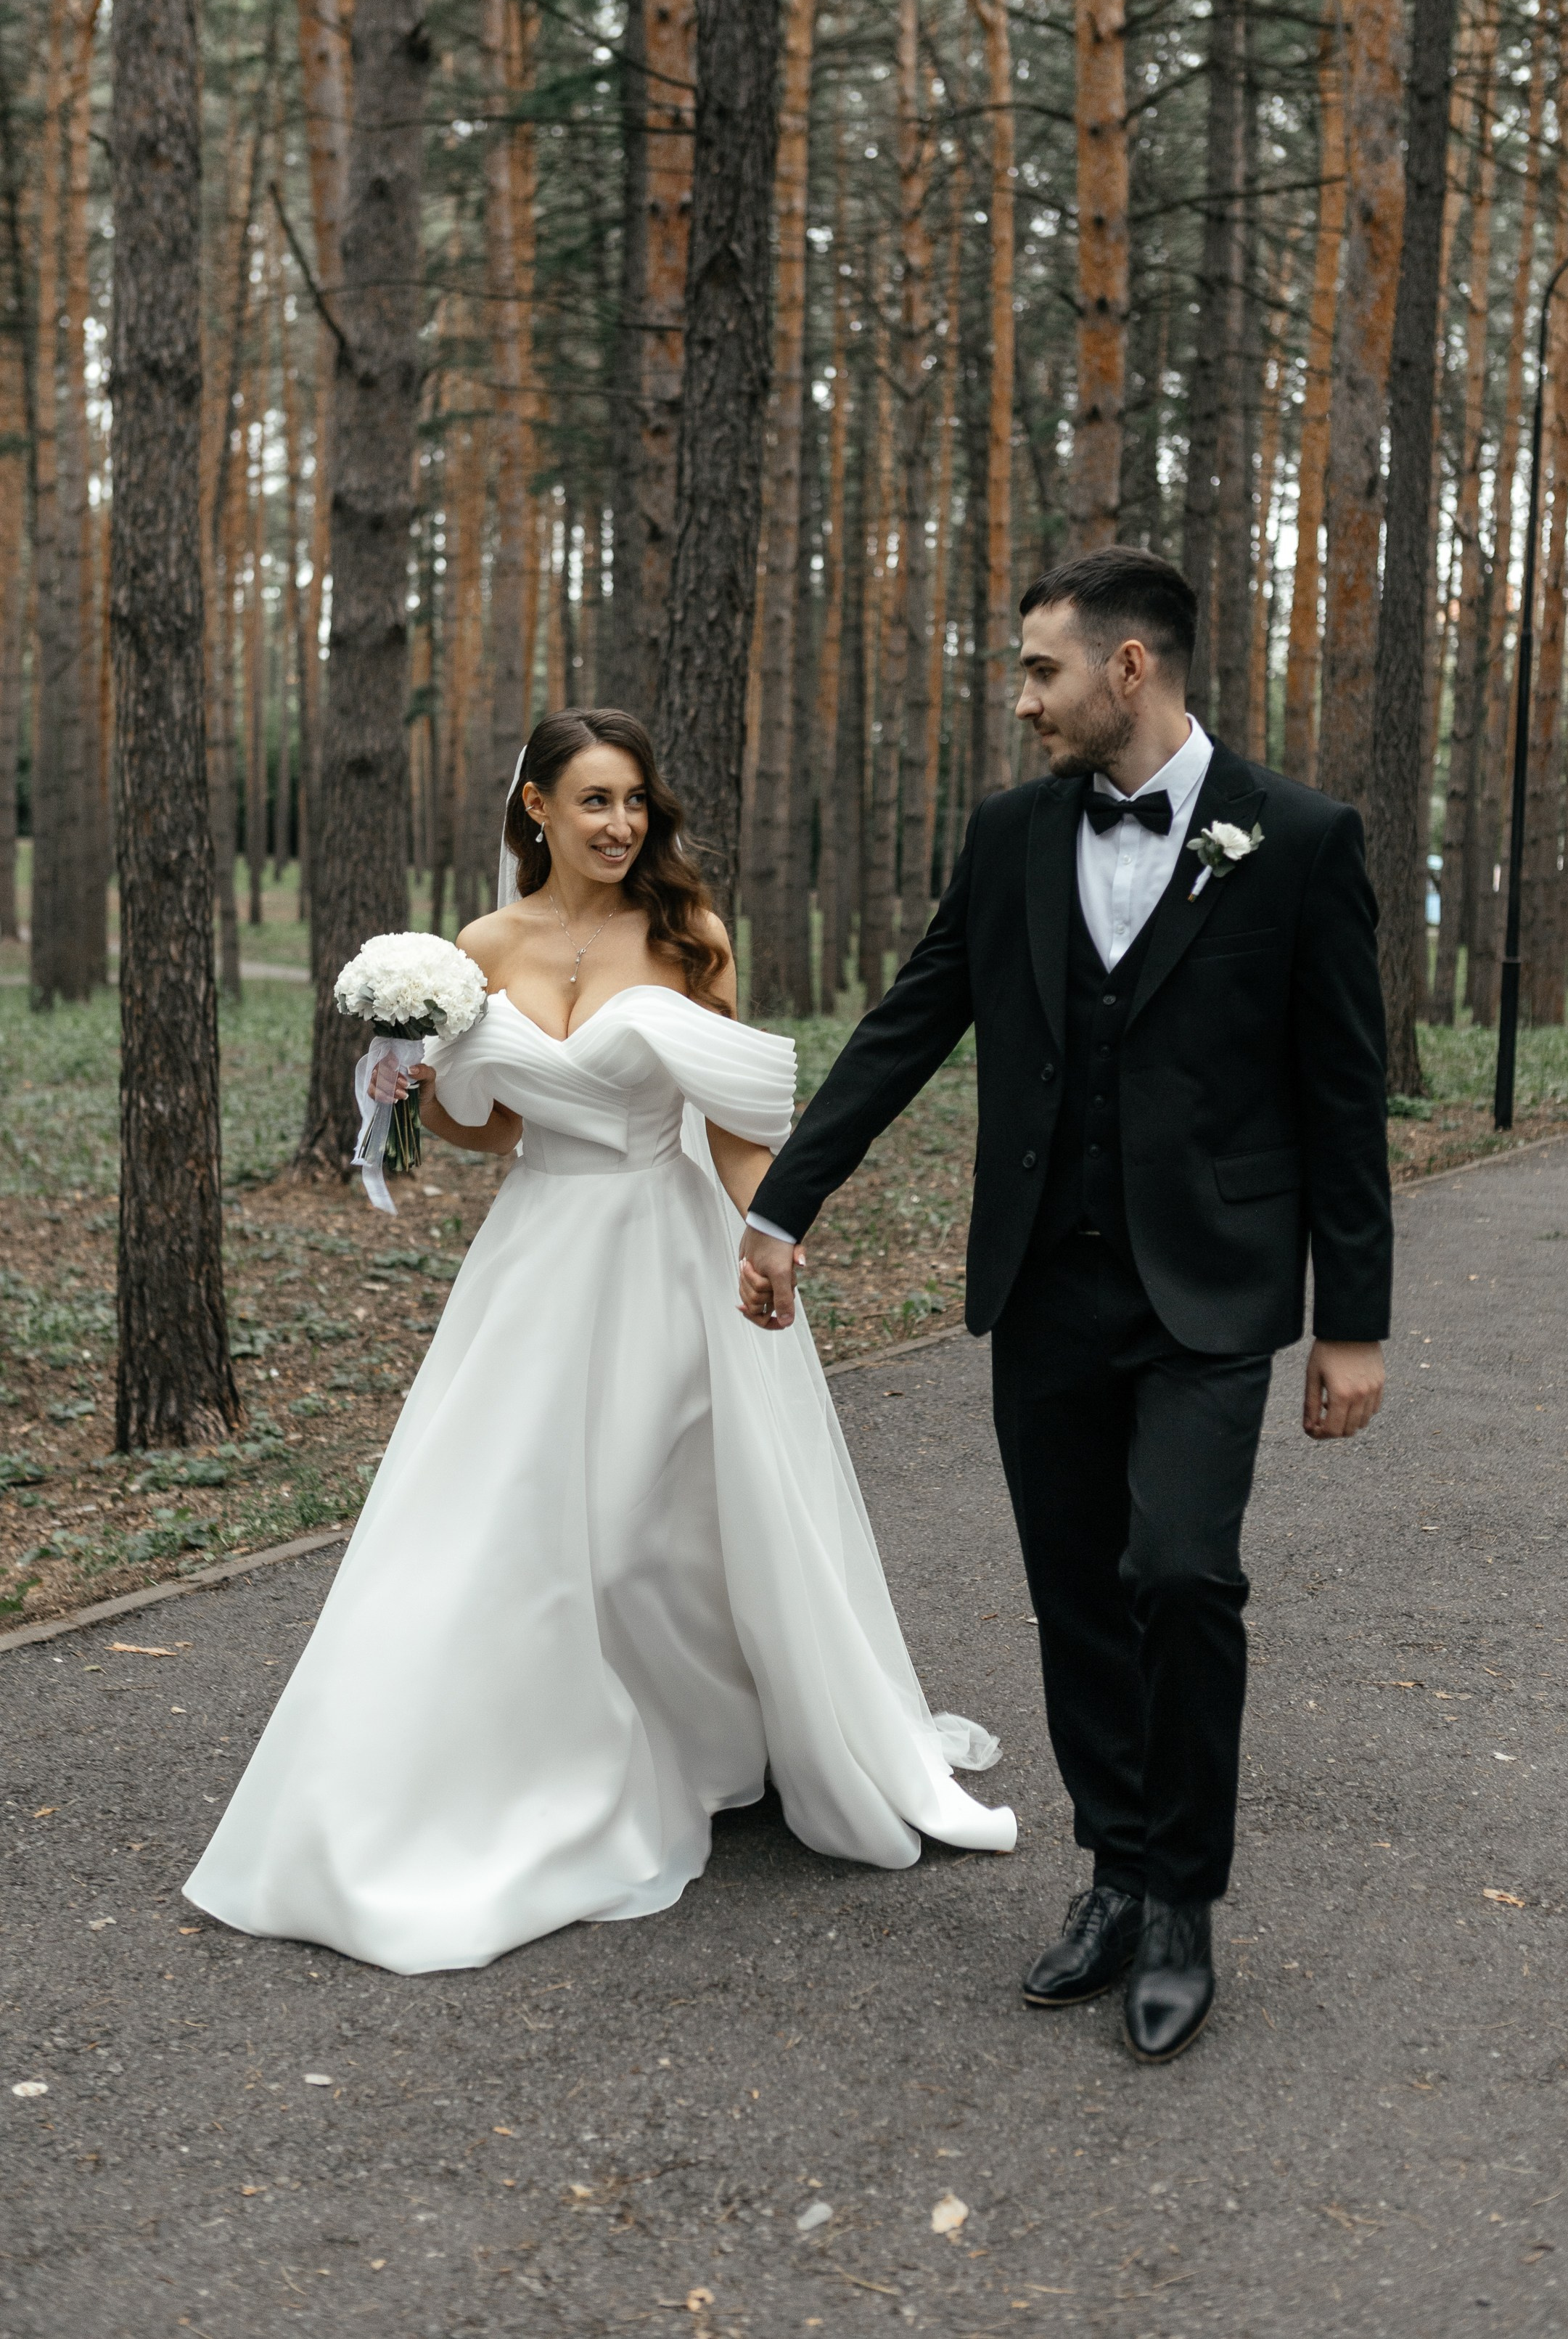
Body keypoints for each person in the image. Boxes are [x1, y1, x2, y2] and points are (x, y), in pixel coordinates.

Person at [184, 709, 1013, 1975]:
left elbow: (735, 1121)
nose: (621, 824)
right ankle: (525, 1763)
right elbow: (495, 1134)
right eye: (592, 802)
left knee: (650, 1529)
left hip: (671, 1253)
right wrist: (412, 1078)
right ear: (535, 811)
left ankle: (697, 1737)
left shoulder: (688, 936)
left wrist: (770, 1233)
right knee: (508, 1522)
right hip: (538, 1259)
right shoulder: (476, 950)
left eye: (633, 801)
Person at [739, 546, 1392, 2064]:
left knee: (1178, 1570)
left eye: (1041, 669)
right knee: (1077, 1590)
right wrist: (784, 1201)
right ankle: (1110, 1868)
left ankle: (1182, 1902)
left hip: (1213, 1288)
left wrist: (1350, 1315)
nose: (1020, 696)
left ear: (1129, 669)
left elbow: (1343, 1096)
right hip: (1044, 1278)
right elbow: (910, 1019)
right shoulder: (1014, 834)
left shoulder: (1295, 839)